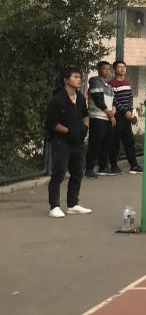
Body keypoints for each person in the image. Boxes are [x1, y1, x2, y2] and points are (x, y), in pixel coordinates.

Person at [45, 68, 92, 218]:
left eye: (79, 77)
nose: (79, 79)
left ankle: (72, 204)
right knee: (58, 173)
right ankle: (54, 206)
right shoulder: (57, 99)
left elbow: (85, 115)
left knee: (77, 173)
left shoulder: (80, 97)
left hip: (78, 142)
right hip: (61, 142)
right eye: (75, 77)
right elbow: (52, 123)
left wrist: (84, 128)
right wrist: (68, 131)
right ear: (66, 80)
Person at [85, 61, 116, 178]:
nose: (107, 71)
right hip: (97, 117)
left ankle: (103, 167)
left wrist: (113, 112)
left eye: (109, 69)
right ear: (99, 70)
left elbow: (114, 101)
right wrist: (109, 114)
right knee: (95, 143)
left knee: (106, 143)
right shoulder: (95, 82)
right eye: (104, 69)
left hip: (108, 118)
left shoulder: (109, 86)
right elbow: (98, 99)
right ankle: (89, 169)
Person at [109, 60, 141, 174]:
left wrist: (130, 110)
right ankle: (114, 166)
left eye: (124, 67)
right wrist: (124, 111)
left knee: (129, 142)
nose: (122, 69)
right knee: (115, 142)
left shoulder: (127, 83)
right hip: (118, 116)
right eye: (119, 67)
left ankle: (134, 165)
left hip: (127, 116)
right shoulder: (111, 84)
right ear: (114, 69)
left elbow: (130, 98)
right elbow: (113, 100)